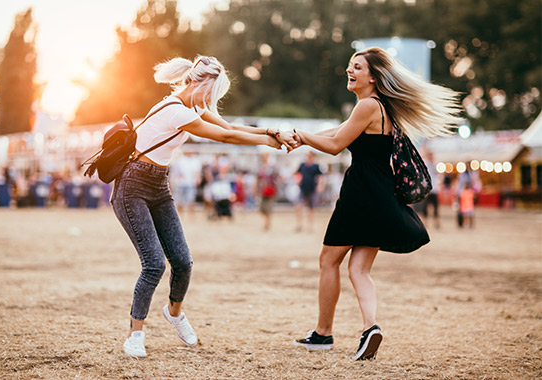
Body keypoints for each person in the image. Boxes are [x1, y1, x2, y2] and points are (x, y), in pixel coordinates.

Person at [111, 55, 294, 357]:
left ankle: (174, 312)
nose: (212, 100)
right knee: (154, 264)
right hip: (132, 187)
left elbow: (228, 125)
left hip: (158, 184)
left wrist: (270, 133)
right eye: (212, 93)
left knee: (182, 261)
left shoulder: (192, 107)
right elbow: (225, 136)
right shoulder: (174, 111)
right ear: (199, 83)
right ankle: (135, 334)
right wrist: (268, 141)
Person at [290, 47, 461, 360]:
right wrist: (302, 137)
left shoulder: (367, 105)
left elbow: (334, 144)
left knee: (329, 261)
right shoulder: (380, 107)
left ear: (373, 76)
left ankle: (323, 333)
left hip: (360, 194)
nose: (349, 71)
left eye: (357, 67)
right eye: (349, 66)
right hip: (381, 196)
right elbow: (338, 131)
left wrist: (301, 135)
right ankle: (371, 327)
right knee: (359, 269)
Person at [295, 151, 323, 233]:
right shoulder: (302, 165)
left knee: (311, 208)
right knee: (298, 206)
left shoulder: (316, 166)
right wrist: (298, 181)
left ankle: (310, 226)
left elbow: (321, 177)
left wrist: (320, 186)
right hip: (302, 188)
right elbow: (296, 173)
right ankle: (299, 225)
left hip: (312, 189)